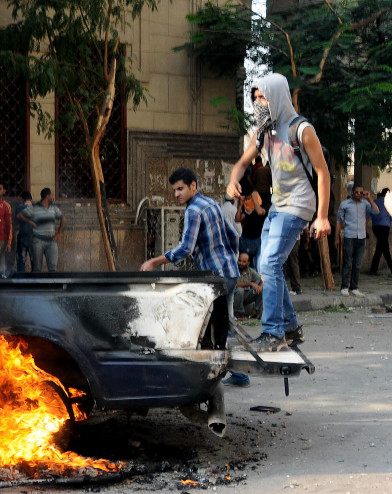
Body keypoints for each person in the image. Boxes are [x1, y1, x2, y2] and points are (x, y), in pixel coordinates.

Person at [226, 73, 331, 352]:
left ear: (277, 97)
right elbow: (242, 163)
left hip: (299, 205)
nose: (258, 103)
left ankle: (273, 332)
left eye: (263, 97)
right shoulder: (264, 132)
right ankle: (291, 327)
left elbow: (322, 172)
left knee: (270, 263)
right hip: (278, 205)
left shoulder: (301, 130)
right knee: (265, 265)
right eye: (255, 98)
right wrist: (233, 181)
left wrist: (322, 216)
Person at [141, 168, 239, 350]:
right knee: (220, 320)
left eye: (180, 189)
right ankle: (221, 358)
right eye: (174, 190)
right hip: (230, 271)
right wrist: (232, 258)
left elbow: (186, 248)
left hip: (216, 277)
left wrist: (154, 261)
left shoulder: (193, 210)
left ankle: (218, 359)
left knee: (211, 323)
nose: (176, 194)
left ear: (193, 186)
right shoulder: (212, 203)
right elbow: (232, 234)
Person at [336, 183, 379, 295]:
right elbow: (339, 221)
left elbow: (376, 211)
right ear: (352, 192)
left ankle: (354, 287)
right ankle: (344, 286)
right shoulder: (344, 204)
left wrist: (369, 198)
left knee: (357, 264)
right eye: (357, 192)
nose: (359, 194)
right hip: (349, 236)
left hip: (361, 237)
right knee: (347, 263)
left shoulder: (365, 204)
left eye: (361, 192)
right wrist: (336, 237)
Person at [17, 187, 63, 272]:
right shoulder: (34, 207)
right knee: (36, 267)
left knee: (52, 268)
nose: (54, 197)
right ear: (47, 196)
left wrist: (59, 233)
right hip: (36, 240)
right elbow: (20, 215)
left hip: (50, 240)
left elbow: (63, 219)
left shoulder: (53, 208)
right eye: (52, 195)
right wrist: (31, 222)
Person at [366, 187, 391, 275]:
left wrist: (365, 228)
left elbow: (367, 216)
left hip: (376, 227)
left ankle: (373, 269)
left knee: (380, 247)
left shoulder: (375, 202)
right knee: (385, 248)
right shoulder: (389, 202)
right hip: (385, 227)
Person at [234, 252, 263, 319]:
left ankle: (255, 311)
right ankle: (239, 314)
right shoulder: (234, 269)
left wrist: (260, 286)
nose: (241, 263)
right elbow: (235, 284)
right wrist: (250, 283)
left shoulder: (250, 271)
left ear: (248, 263)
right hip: (235, 295)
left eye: (244, 262)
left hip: (246, 294)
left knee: (260, 290)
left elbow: (262, 279)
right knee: (240, 290)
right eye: (239, 260)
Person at [14, 190, 34, 272]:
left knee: (21, 261)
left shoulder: (18, 208)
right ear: (31, 200)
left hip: (22, 237)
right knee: (34, 261)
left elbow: (16, 222)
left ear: (22, 199)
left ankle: (21, 278)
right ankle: (35, 278)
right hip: (33, 238)